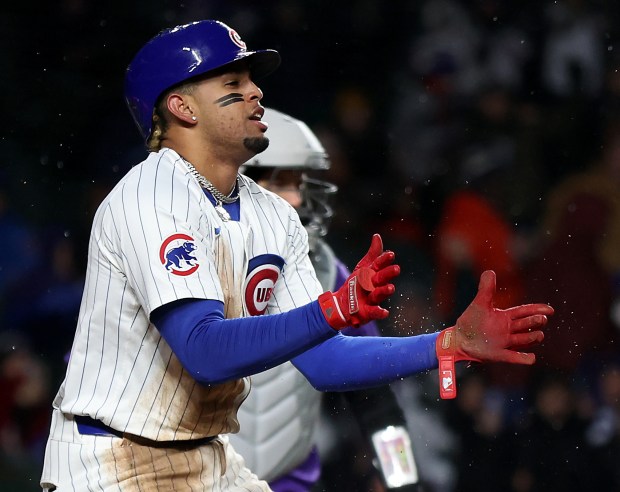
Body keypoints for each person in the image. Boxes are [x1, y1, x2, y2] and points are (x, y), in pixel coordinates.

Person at [40, 19, 553, 491]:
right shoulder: (149, 196)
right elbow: (203, 351)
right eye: (233, 85)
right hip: (111, 458)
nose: (257, 92)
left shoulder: (275, 220)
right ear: (182, 107)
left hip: (212, 456)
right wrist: (333, 310)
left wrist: (445, 343)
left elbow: (329, 365)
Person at [235, 107, 421, 491]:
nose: (299, 198)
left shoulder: (327, 274)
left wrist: (403, 480)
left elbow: (376, 398)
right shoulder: (182, 264)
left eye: (300, 183)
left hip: (291, 482)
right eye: (282, 183)